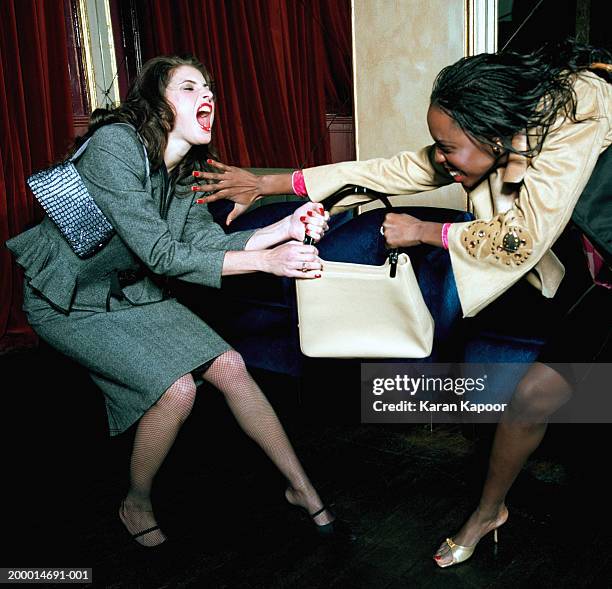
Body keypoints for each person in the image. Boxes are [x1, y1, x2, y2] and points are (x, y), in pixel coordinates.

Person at [190, 40, 612, 566]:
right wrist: (274, 181)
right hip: (599, 280)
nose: (439, 156)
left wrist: (422, 230)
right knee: (531, 399)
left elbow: (516, 239)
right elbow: (400, 170)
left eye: (447, 145)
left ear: (495, 136)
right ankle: (489, 513)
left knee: (550, 403)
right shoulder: (505, 135)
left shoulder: (577, 114)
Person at [5, 54, 344, 548]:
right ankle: (136, 500)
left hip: (131, 290)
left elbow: (203, 245)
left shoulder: (183, 169)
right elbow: (163, 255)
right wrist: (269, 262)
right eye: (188, 88)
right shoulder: (114, 147)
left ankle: (303, 489)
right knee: (178, 390)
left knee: (229, 365)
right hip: (69, 300)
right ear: (155, 102)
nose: (206, 95)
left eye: (208, 88)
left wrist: (284, 228)